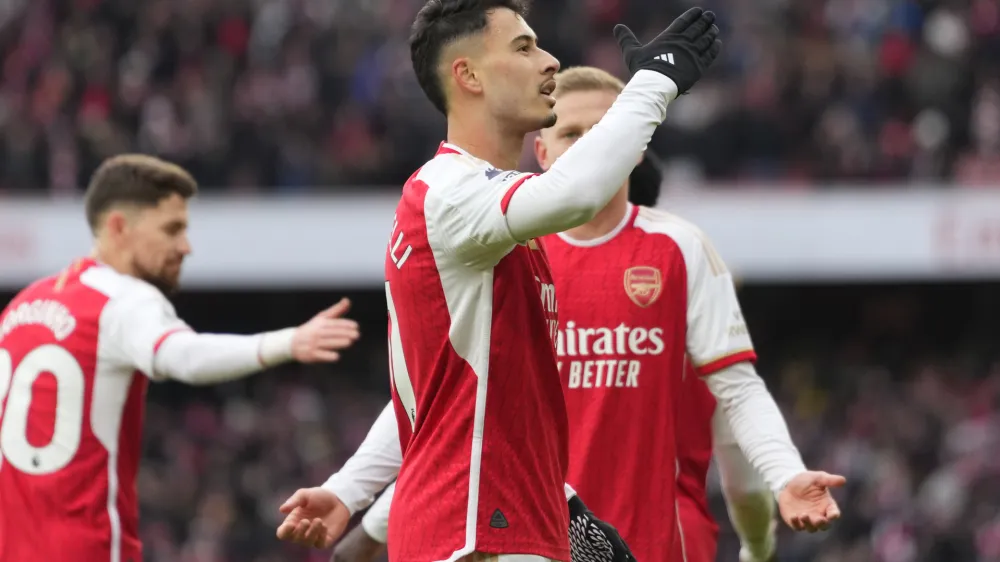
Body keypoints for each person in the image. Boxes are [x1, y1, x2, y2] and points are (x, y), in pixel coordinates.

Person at [276, 1, 724, 560]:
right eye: (523, 47)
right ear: (467, 76)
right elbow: (576, 193)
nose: (550, 61)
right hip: (477, 538)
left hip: (499, 526)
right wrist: (655, 81)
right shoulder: (449, 191)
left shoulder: (483, 216)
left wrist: (349, 491)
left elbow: (444, 394)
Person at [0, 154, 361, 562]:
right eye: (172, 229)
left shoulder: (20, 309)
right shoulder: (122, 300)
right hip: (87, 549)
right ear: (119, 227)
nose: (185, 247)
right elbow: (182, 356)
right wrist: (287, 342)